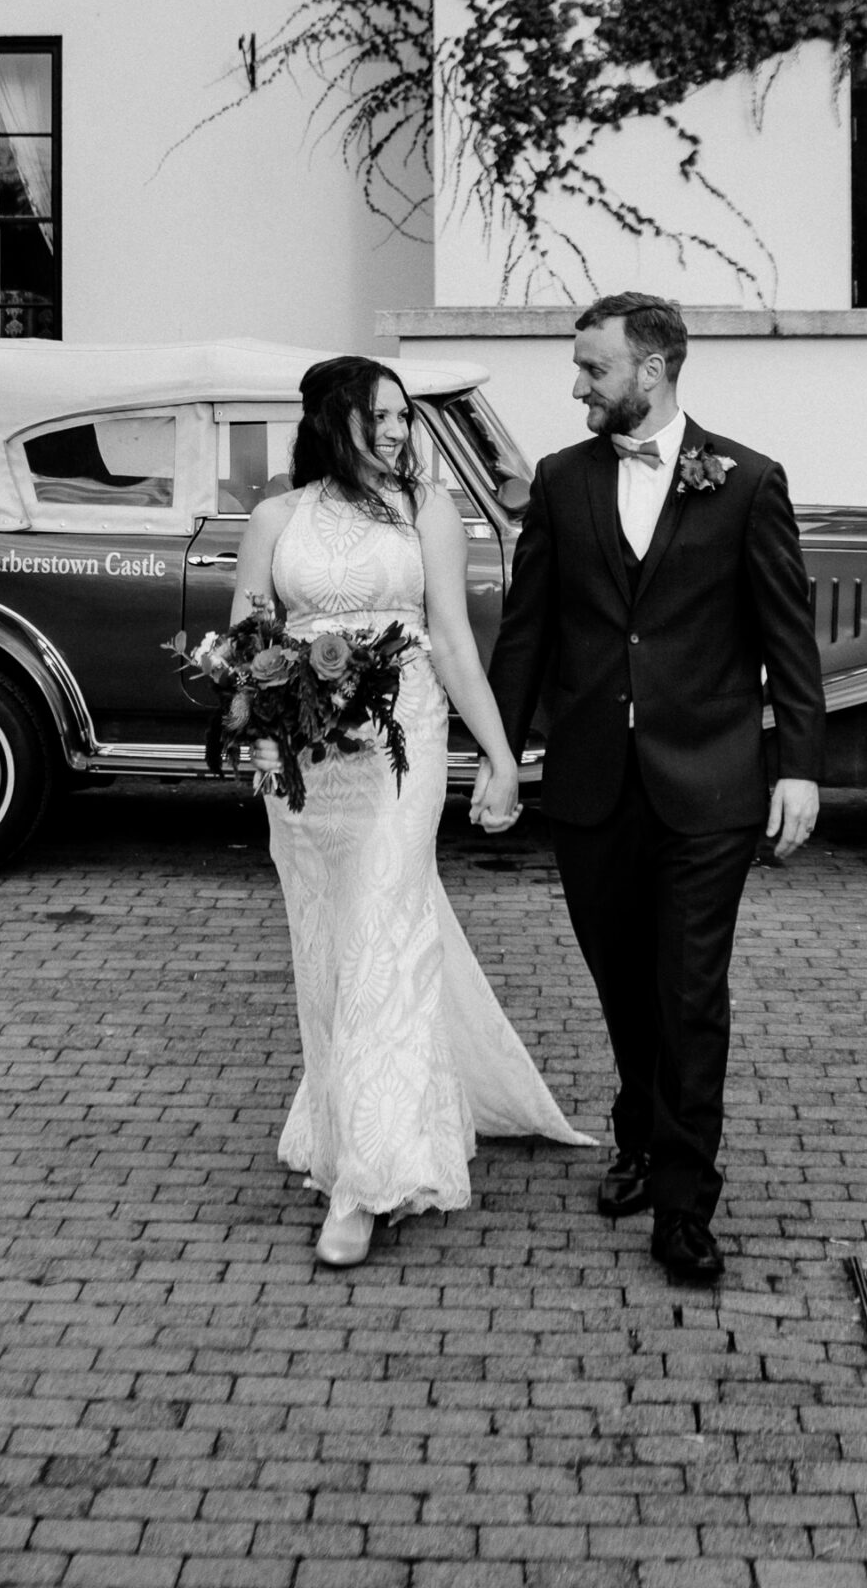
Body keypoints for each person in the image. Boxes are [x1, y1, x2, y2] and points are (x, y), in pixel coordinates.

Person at [488, 293, 825, 1289]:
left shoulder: (749, 480)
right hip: (593, 783)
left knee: (690, 993)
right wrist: (503, 757)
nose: (577, 385)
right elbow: (527, 631)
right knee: (623, 982)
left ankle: (683, 1203)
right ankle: (637, 1127)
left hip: (710, 783)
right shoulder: (559, 481)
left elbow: (785, 638)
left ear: (653, 368)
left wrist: (799, 764)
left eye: (593, 367)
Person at [232, 356, 590, 1268]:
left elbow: (456, 641)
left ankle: (368, 1180)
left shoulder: (428, 511)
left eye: (402, 418)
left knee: (381, 936)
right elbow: (245, 645)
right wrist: (256, 728)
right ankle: (350, 1120)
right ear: (332, 419)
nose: (397, 432)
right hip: (307, 771)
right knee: (326, 949)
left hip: (403, 749)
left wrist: (501, 758)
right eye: (380, 417)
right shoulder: (275, 517)